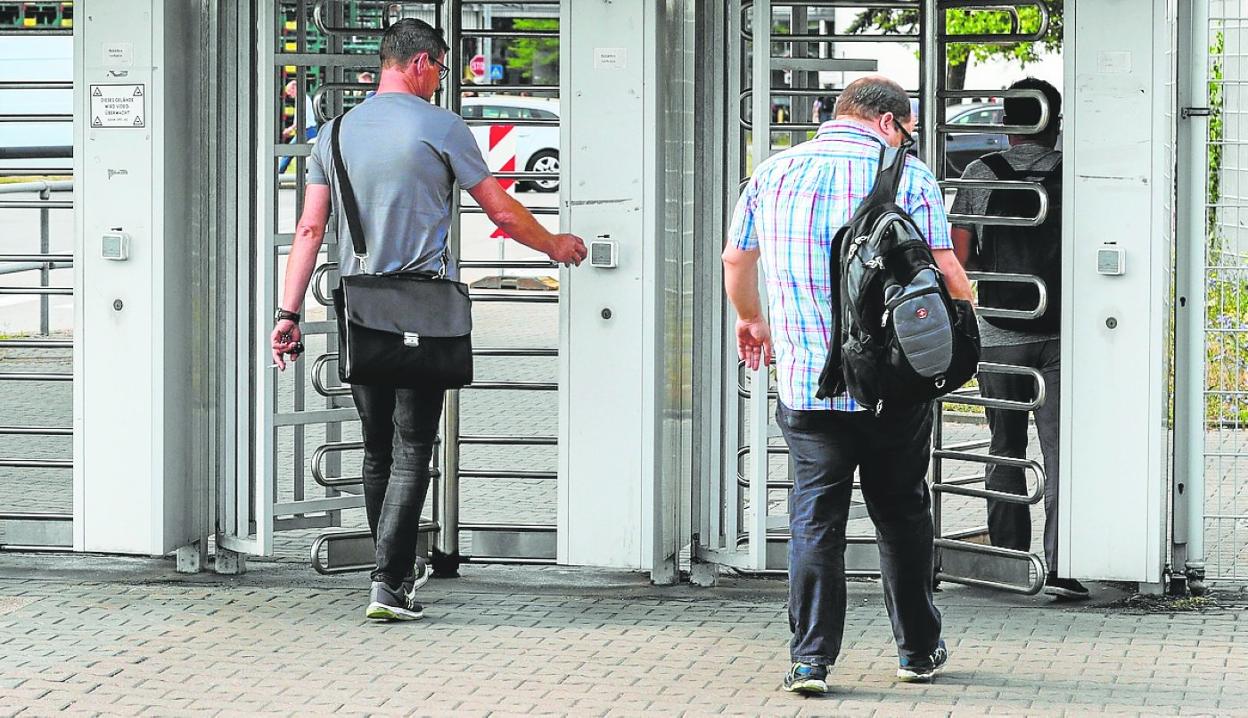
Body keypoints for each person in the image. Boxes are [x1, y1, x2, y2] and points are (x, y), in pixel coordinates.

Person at [270, 18, 587, 621]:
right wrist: (555, 245)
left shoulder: (332, 134)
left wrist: (288, 312)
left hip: (357, 307)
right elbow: (502, 210)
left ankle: (392, 575)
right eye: (441, 68)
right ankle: (389, 584)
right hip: (422, 309)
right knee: (415, 445)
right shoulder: (442, 127)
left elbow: (310, 229)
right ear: (419, 62)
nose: (441, 81)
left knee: (375, 450)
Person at [723, 76, 974, 694]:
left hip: (808, 384)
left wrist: (752, 319)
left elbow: (736, 260)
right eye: (909, 128)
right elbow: (943, 268)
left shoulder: (773, 173)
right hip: (894, 384)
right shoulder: (908, 176)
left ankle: (809, 660)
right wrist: (966, 319)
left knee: (816, 517)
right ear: (888, 122)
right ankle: (917, 650)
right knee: (902, 511)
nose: (909, 138)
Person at [949, 78, 1087, 600]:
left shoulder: (980, 173)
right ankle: (1063, 563)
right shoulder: (1072, 173)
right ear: (1054, 122)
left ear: (1007, 122)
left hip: (999, 334)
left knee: (1005, 449)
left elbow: (957, 261)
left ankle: (1007, 561)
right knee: (1058, 451)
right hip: (1062, 332)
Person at [278, 80, 318, 174]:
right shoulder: (304, 98)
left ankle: (279, 174)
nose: (289, 95)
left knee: (289, 152)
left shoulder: (301, 99)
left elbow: (301, 117)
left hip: (306, 131)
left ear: (294, 88)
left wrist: (290, 129)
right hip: (310, 130)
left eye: (290, 92)